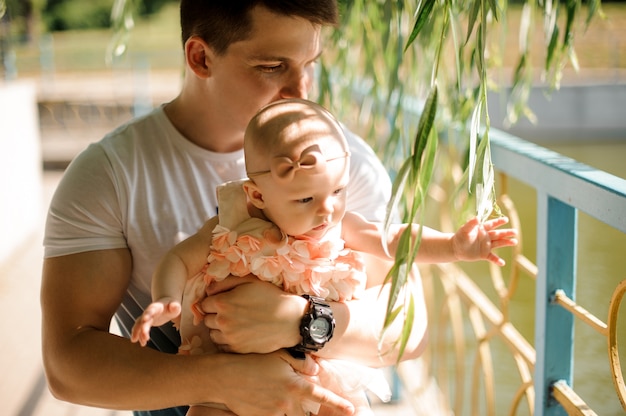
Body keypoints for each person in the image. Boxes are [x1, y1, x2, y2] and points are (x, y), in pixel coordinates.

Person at [41, 2, 427, 416]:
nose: (302, 90)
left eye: (309, 63)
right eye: (272, 66)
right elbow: (68, 362)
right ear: (201, 57)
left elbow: (407, 327)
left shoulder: (340, 165)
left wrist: (300, 320)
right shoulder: (110, 175)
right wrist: (223, 380)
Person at [130, 98, 519, 416]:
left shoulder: (339, 226)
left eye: (338, 191)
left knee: (341, 408)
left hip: (315, 370)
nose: (328, 210)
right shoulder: (230, 229)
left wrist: (453, 246)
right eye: (306, 199)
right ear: (257, 196)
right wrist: (165, 297)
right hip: (231, 372)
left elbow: (394, 239)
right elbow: (179, 260)